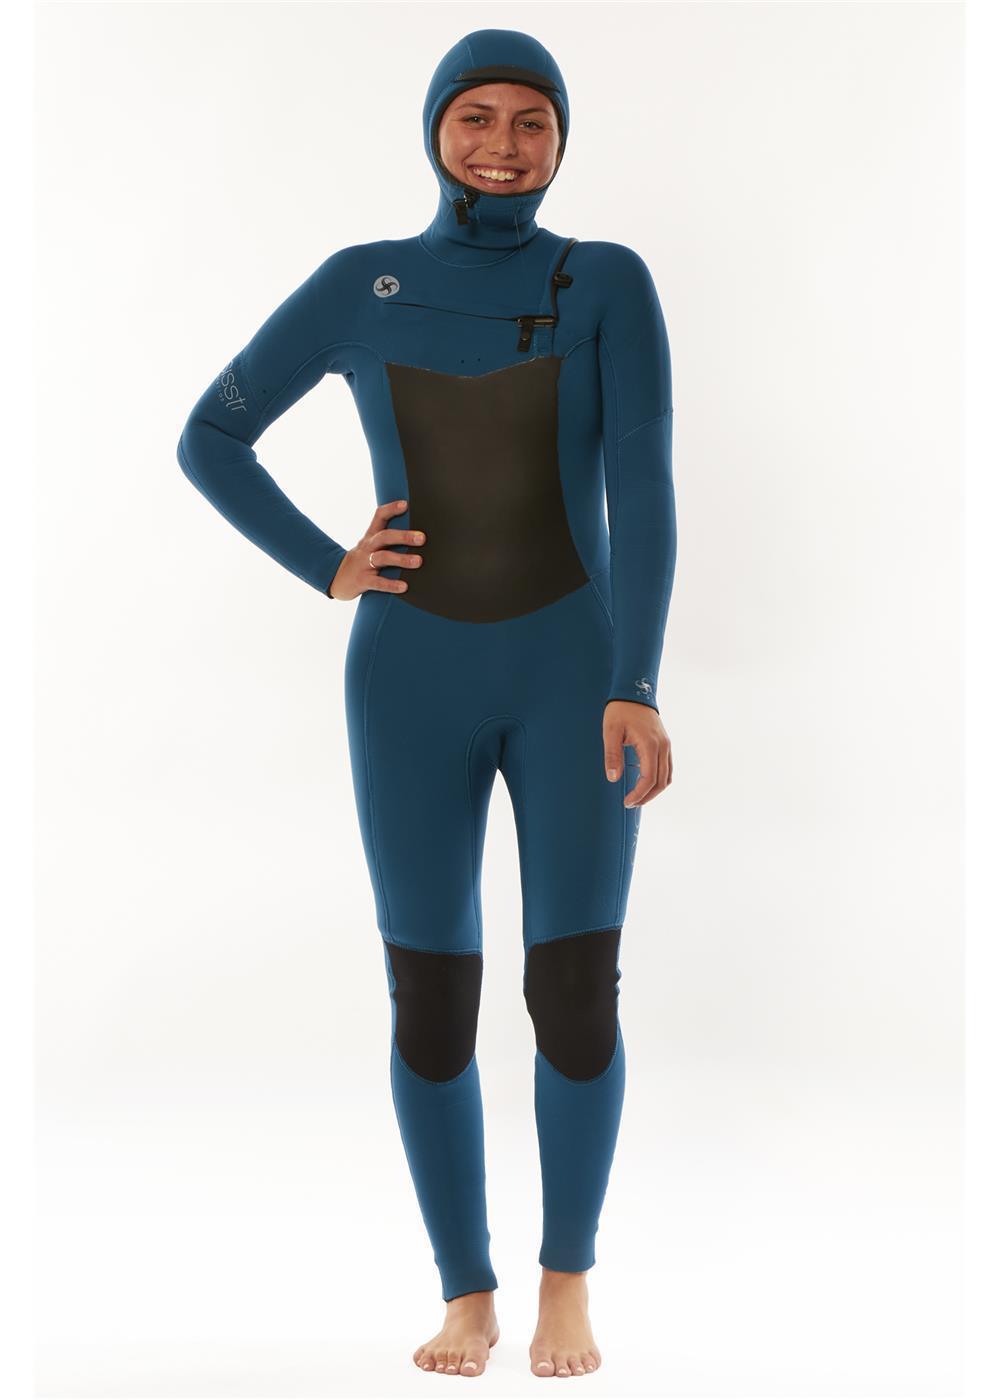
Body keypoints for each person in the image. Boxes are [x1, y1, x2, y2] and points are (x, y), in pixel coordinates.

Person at [176, 26, 676, 1380]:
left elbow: (644, 488)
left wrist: (635, 683)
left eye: (532, 121)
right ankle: (468, 1294)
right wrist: (328, 565)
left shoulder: (607, 281)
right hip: (408, 681)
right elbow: (211, 437)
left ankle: (567, 1281)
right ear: (435, 131)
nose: (504, 144)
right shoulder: (361, 283)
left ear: (561, 139)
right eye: (476, 117)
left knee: (573, 993)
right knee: (432, 999)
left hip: (575, 680)